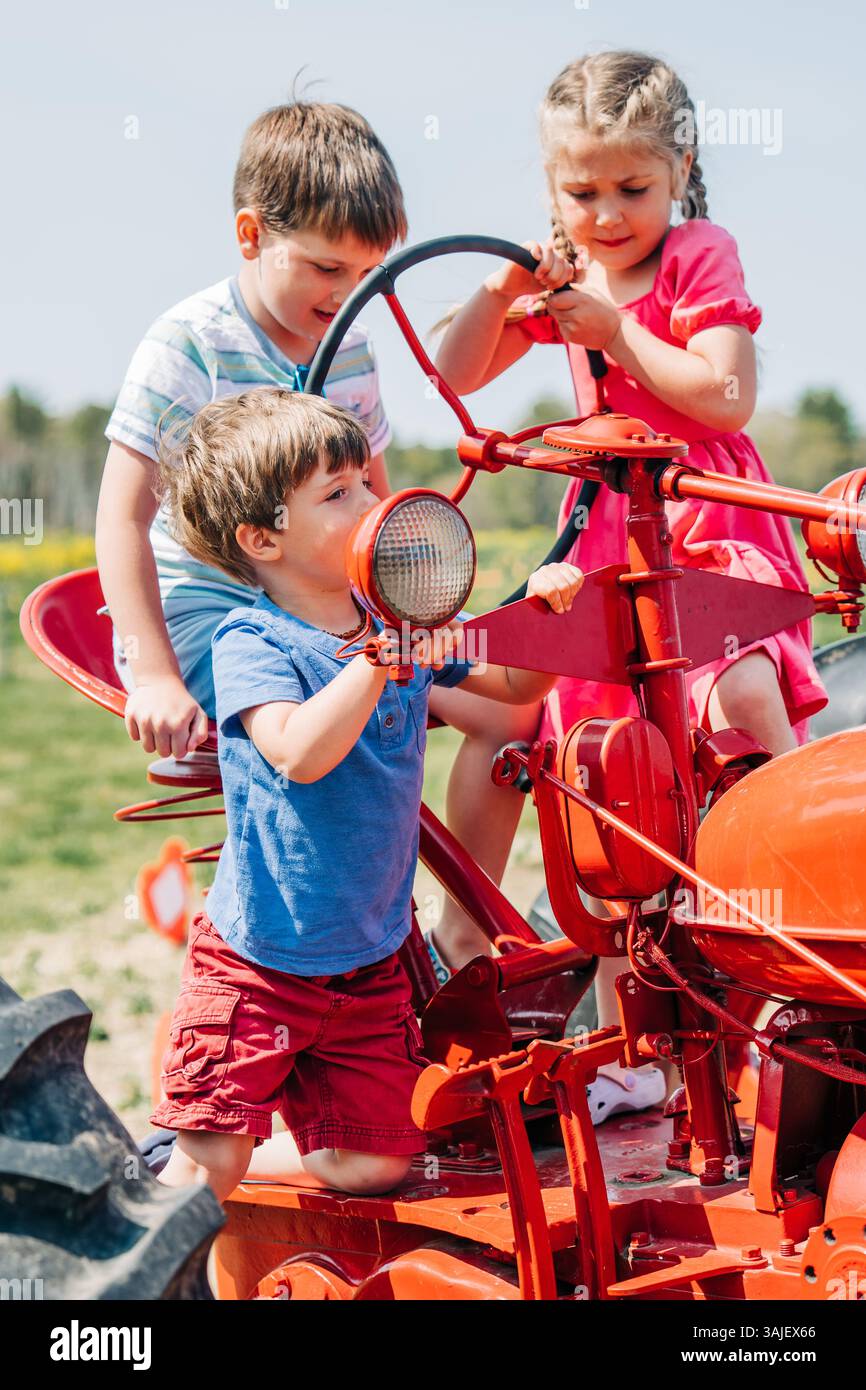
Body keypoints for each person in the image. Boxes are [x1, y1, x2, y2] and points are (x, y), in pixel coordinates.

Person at [435, 50, 827, 1122]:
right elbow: (458, 372)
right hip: (601, 539)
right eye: (580, 191)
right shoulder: (562, 271)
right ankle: (604, 1024)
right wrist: (501, 284)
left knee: (737, 699)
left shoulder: (697, 255)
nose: (606, 216)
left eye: (630, 189)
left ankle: (809, 901)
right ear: (550, 190)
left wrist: (617, 333)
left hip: (700, 524)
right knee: (601, 777)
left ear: (679, 170)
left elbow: (725, 395)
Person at [95, 99, 542, 980]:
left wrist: (444, 610)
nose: (345, 296)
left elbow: (374, 507)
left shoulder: (354, 355)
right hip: (219, 611)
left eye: (368, 275)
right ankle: (329, 967)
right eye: (327, 267)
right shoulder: (189, 344)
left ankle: (459, 947)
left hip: (336, 608)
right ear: (251, 233)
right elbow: (121, 516)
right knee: (335, 730)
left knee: (514, 713)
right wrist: (148, 670)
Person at [151, 387, 585, 1201]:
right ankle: (187, 1175)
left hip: (369, 963)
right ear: (261, 539)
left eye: (366, 481)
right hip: (262, 961)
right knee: (208, 1167)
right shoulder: (253, 640)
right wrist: (377, 658)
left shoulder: (396, 621)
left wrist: (550, 611)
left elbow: (513, 684)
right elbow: (302, 752)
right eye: (338, 493)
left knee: (375, 1166)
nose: (372, 502)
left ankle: (252, 1153)